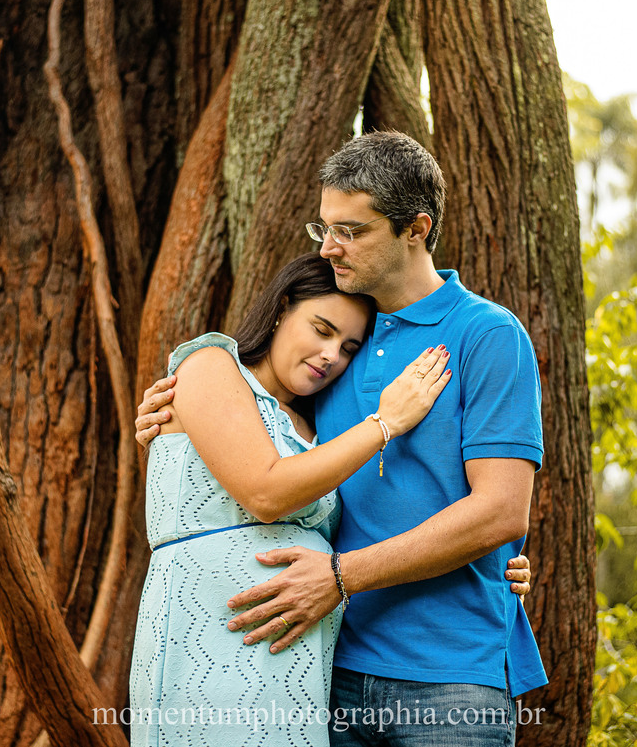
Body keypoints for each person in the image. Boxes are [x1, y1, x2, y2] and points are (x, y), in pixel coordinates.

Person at [136, 131, 545, 746]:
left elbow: (500, 511)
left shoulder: (487, 335)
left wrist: (342, 575)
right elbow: (265, 444)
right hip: (324, 670)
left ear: (416, 228)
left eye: (351, 230)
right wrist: (175, 414)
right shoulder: (342, 342)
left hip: (449, 677)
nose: (330, 246)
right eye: (323, 227)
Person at [129, 252, 456, 747]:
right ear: (282, 308)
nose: (332, 356)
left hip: (296, 666)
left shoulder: (318, 426)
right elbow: (265, 492)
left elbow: (371, 519)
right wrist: (386, 423)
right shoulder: (211, 365)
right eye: (321, 330)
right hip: (208, 636)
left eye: (348, 347)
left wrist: (495, 556)